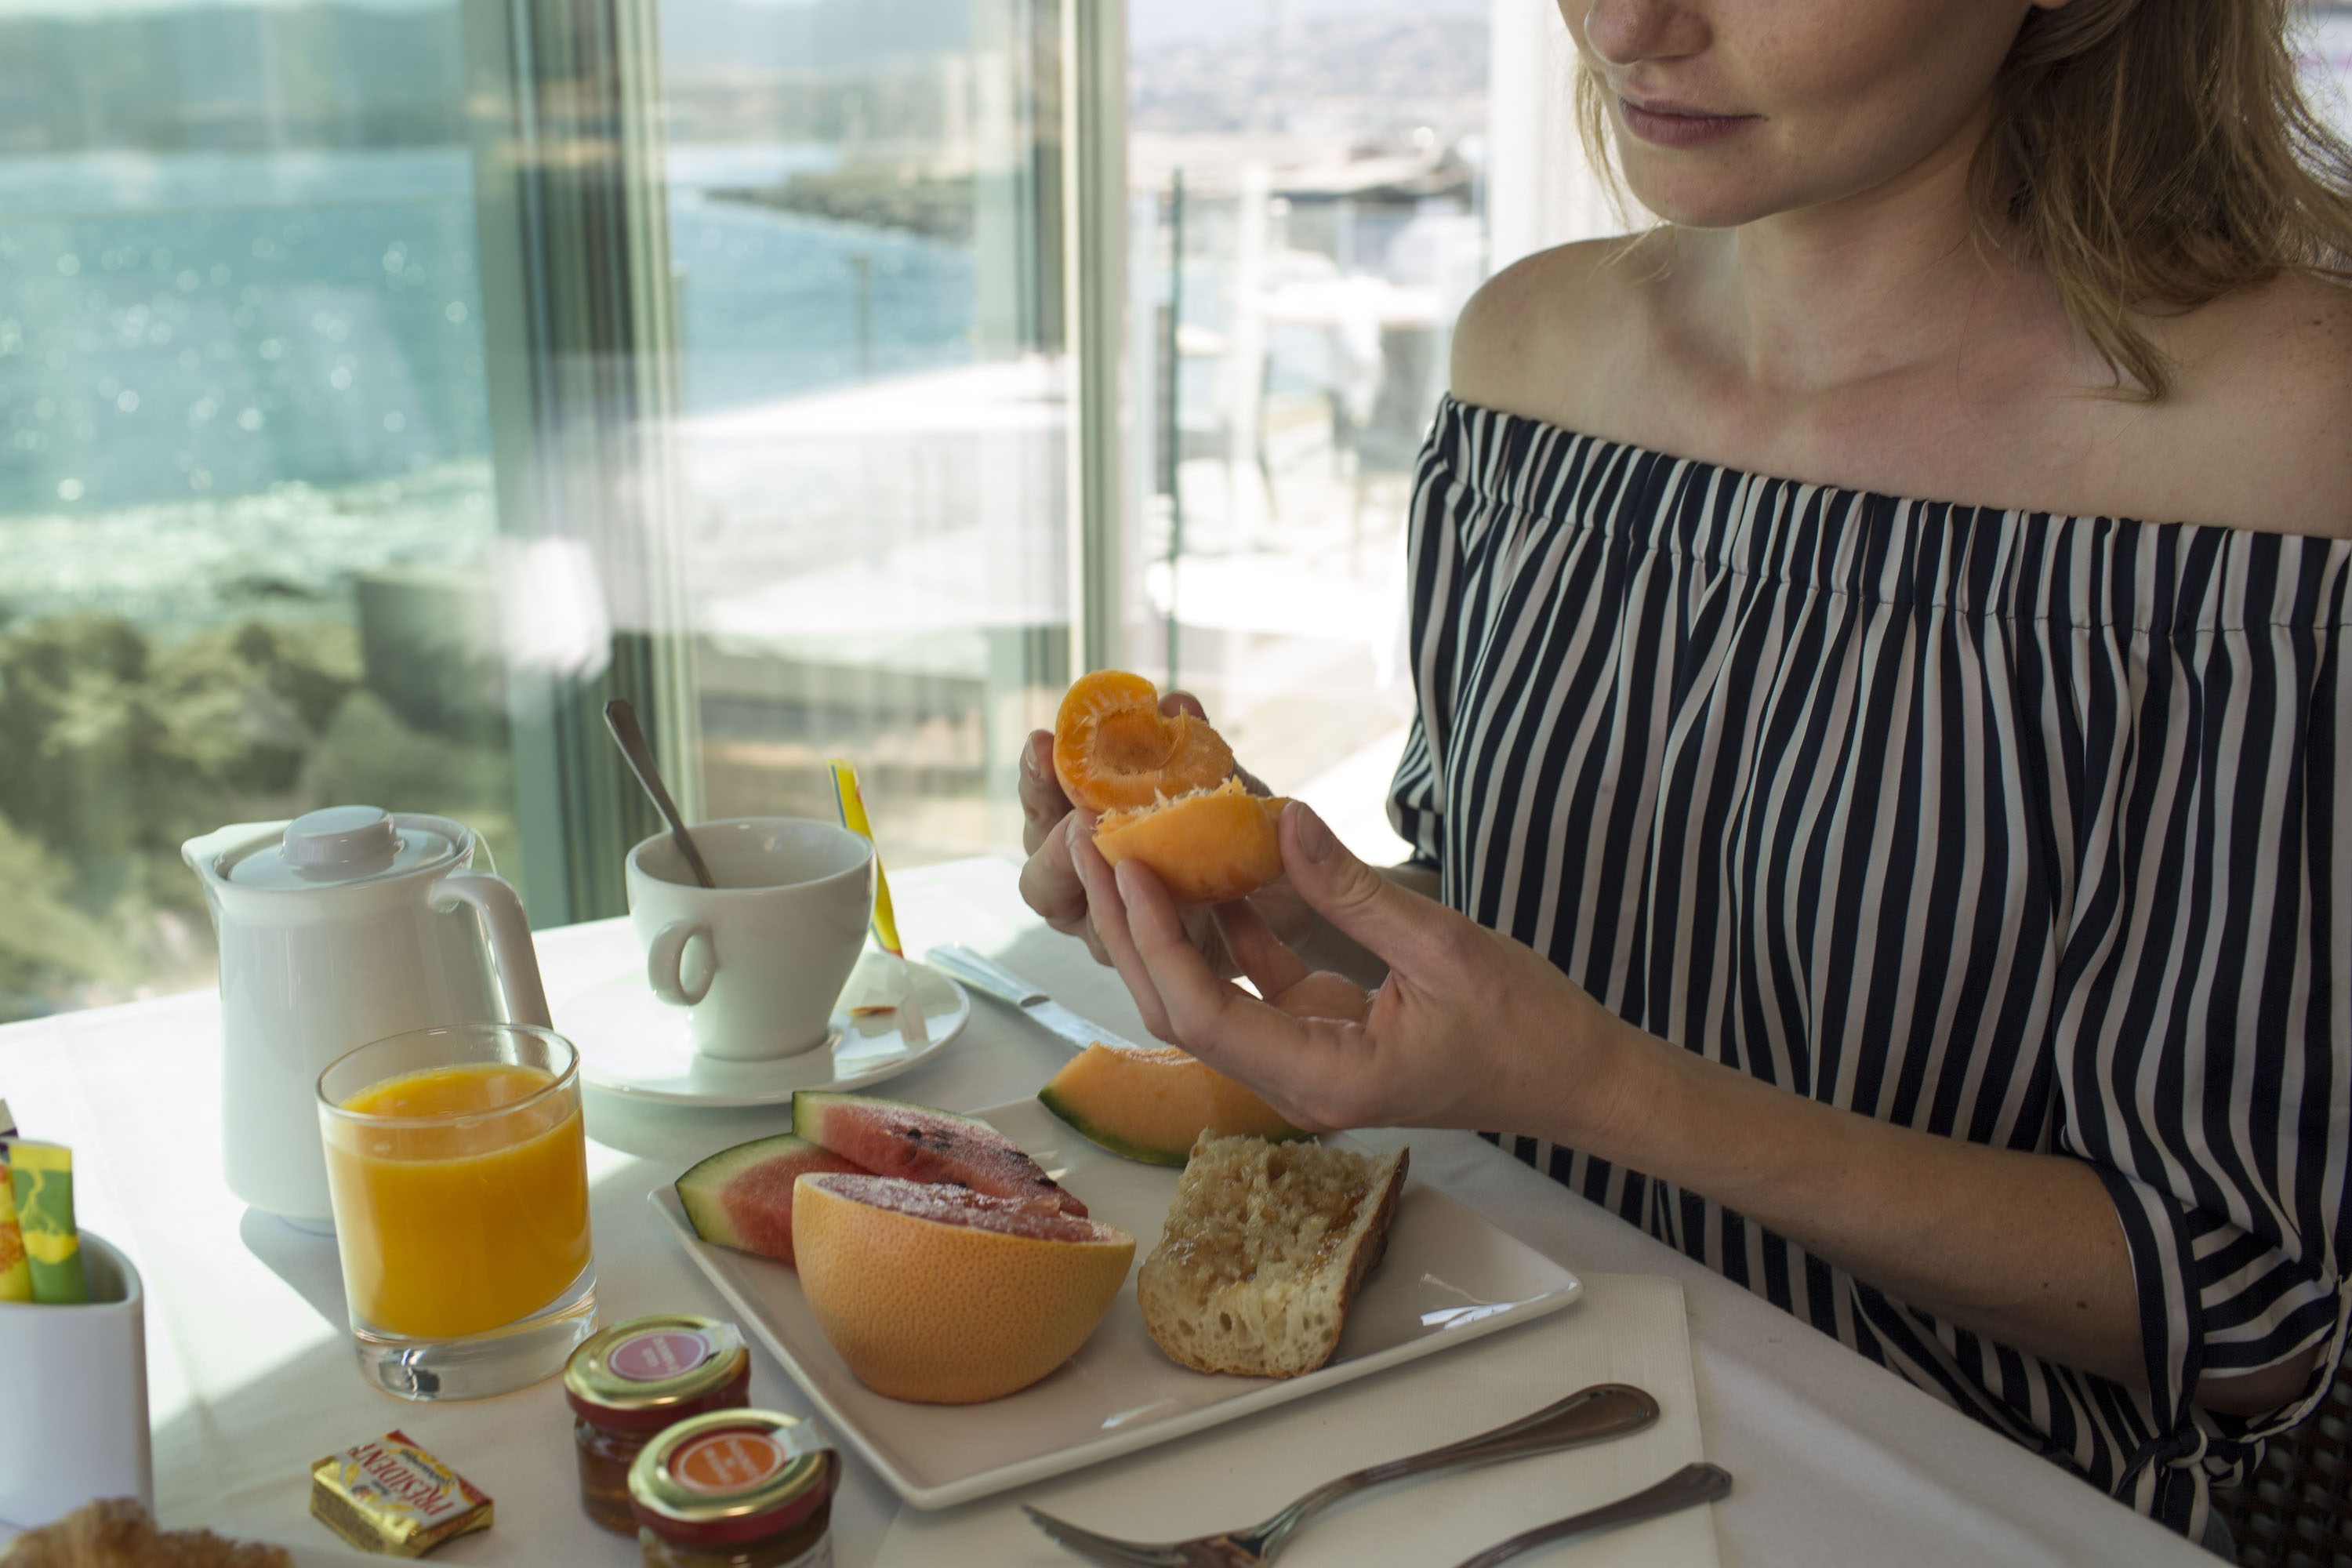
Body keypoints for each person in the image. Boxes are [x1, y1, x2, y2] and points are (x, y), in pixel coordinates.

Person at [1021, 0, 2352, 1548]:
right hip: (1464, 1434)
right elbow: (1509, 931)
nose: (1626, 20)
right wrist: (1268, 883)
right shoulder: (1525, 364)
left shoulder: (2287, 450)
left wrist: (1602, 1088)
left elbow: (2248, 1311)